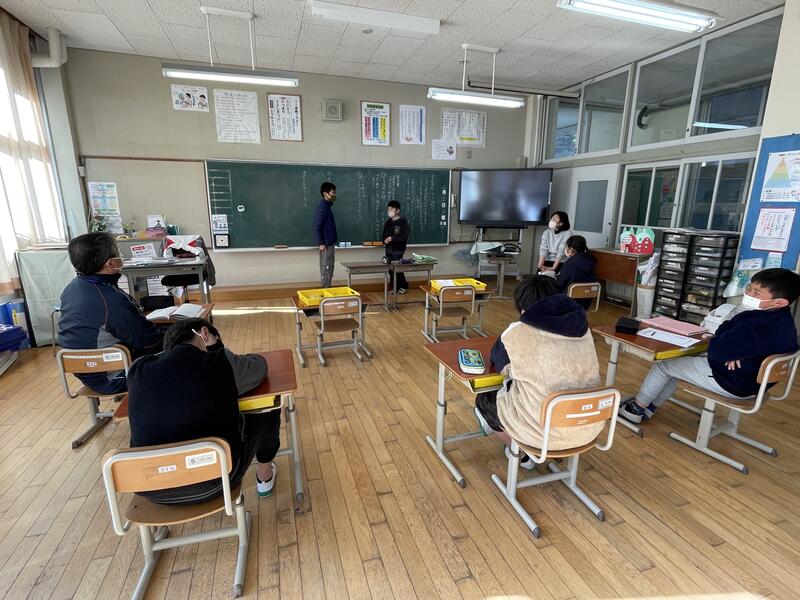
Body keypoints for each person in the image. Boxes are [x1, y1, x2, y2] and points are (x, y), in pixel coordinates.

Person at [127, 318, 280, 503]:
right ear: (205, 334)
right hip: (216, 481)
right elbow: (259, 366)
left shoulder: (138, 370)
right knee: (269, 409)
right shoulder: (220, 362)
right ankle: (264, 477)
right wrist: (217, 348)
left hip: (151, 488)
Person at [619, 268, 800, 424]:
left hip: (732, 382)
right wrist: (732, 350)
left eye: (756, 293)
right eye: (749, 288)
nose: (749, 294)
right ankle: (650, 407)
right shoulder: (784, 321)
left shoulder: (753, 322)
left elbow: (716, 349)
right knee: (681, 364)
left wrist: (726, 346)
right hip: (753, 384)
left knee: (665, 365)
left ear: (780, 302)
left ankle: (636, 409)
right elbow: (726, 336)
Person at [474, 276, 604, 469]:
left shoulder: (517, 332)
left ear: (522, 307)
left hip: (539, 433)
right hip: (588, 425)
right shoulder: (584, 329)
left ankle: (523, 453)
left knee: (484, 399)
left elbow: (498, 363)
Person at [59, 233, 162, 394]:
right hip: (113, 376)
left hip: (86, 370)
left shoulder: (72, 287)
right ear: (110, 263)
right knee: (183, 350)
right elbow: (149, 342)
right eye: (118, 253)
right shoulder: (112, 300)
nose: (121, 257)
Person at [556, 235, 598, 310]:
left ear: (571, 249)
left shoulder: (570, 263)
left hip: (568, 301)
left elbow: (560, 284)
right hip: (585, 303)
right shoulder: (592, 260)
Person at [382, 200, 411, 293]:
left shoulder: (403, 222)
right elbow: (384, 235)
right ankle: (395, 287)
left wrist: (392, 238)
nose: (389, 211)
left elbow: (404, 236)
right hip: (389, 249)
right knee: (390, 269)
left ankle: (402, 286)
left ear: (397, 210)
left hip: (398, 249)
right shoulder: (388, 222)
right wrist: (385, 240)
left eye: (391, 209)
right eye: (388, 209)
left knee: (397, 268)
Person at [314, 181, 338, 288]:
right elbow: (317, 226)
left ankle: (327, 289)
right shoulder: (323, 208)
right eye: (333, 193)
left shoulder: (326, 207)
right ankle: (325, 291)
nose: (334, 195)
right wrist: (321, 243)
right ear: (325, 194)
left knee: (329, 267)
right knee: (326, 268)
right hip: (326, 244)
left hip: (329, 242)